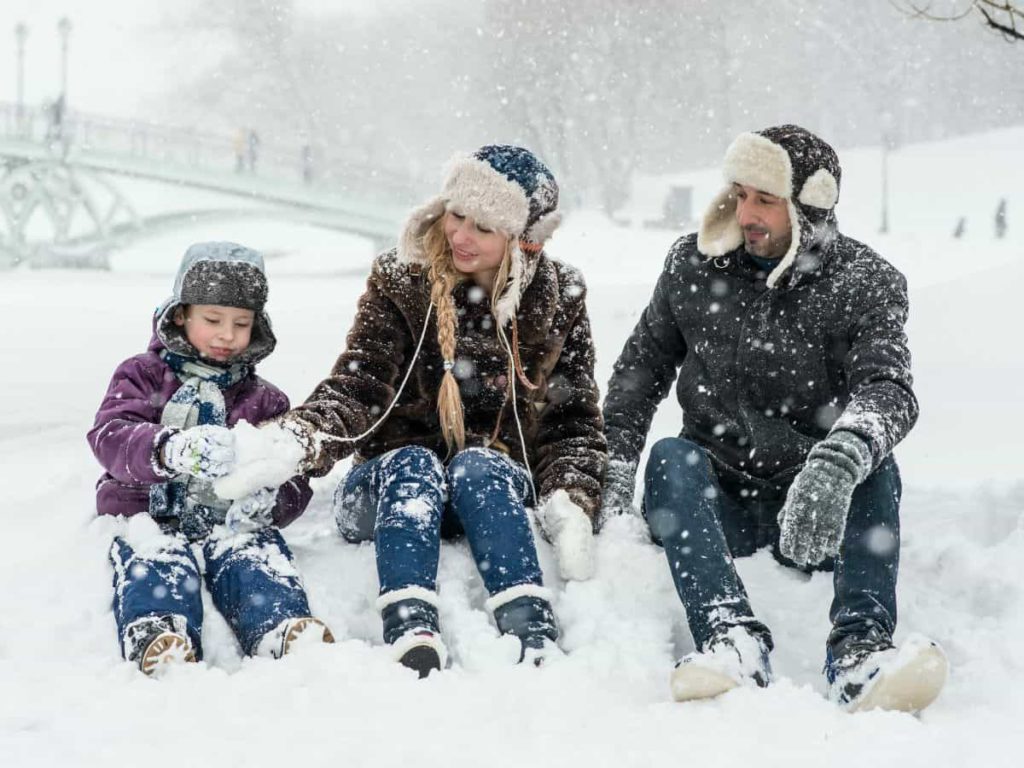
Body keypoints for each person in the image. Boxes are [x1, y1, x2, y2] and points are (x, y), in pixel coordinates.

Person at [217, 145, 607, 676]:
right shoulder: (401, 278)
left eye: (484, 228)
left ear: (523, 241)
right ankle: (410, 622)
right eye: (457, 215)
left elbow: (573, 418)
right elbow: (360, 383)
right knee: (414, 464)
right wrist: (300, 438)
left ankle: (529, 625)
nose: (460, 236)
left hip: (487, 495)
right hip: (388, 489)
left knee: (481, 464)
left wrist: (571, 496)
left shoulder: (562, 295)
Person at [601, 125, 947, 712]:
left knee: (874, 463)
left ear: (808, 207)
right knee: (669, 457)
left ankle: (861, 654)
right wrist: (610, 470)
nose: (746, 212)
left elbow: (889, 389)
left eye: (765, 199)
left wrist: (837, 463)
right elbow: (638, 375)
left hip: (815, 510)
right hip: (715, 502)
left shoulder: (864, 282)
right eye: (739, 194)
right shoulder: (691, 265)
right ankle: (730, 638)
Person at [88, 242, 333, 676]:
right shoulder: (142, 375)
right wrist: (167, 448)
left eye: (241, 323)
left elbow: (291, 474)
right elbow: (111, 434)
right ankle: (159, 630)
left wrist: (271, 500)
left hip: (229, 521)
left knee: (255, 556)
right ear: (181, 314)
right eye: (213, 320)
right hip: (147, 512)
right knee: (157, 558)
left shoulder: (265, 400)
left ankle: (279, 625)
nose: (227, 335)